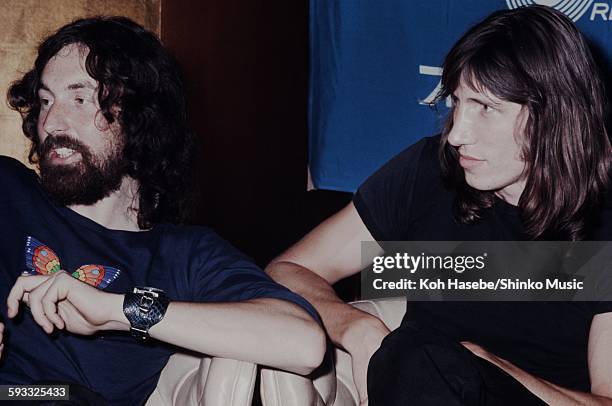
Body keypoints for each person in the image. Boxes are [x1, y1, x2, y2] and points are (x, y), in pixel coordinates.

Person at [266, 5, 612, 405]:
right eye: (456, 103)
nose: (457, 134)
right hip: (419, 384)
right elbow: (288, 270)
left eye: (485, 107)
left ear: (554, 116)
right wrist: (354, 328)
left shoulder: (604, 219)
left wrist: (488, 369)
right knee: (418, 358)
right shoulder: (431, 172)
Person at [0, 16, 325, 405]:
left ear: (139, 116)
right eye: (46, 100)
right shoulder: (7, 189)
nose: (52, 121)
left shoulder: (181, 254)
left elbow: (304, 343)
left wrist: (115, 310)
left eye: (80, 98)